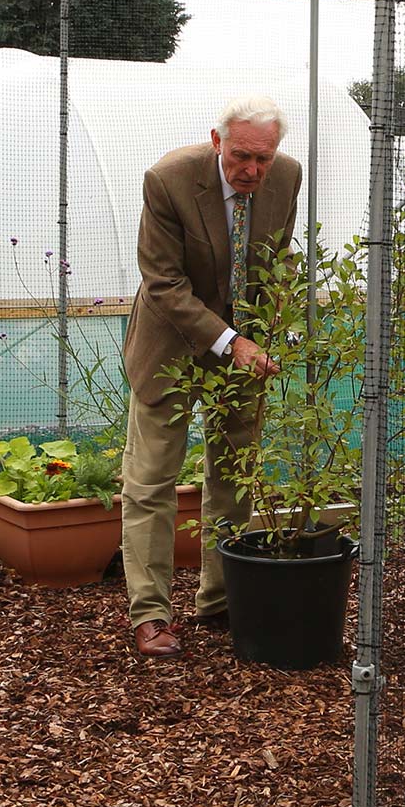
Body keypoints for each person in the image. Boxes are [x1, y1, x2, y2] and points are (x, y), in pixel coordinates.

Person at [118, 97, 301, 657]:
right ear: (218, 141)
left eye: (263, 159)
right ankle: (149, 614)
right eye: (242, 156)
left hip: (244, 351)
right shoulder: (169, 180)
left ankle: (221, 599)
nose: (253, 171)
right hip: (169, 347)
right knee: (151, 482)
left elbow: (277, 261)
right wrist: (231, 341)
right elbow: (164, 283)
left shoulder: (286, 176)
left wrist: (281, 326)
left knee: (234, 476)